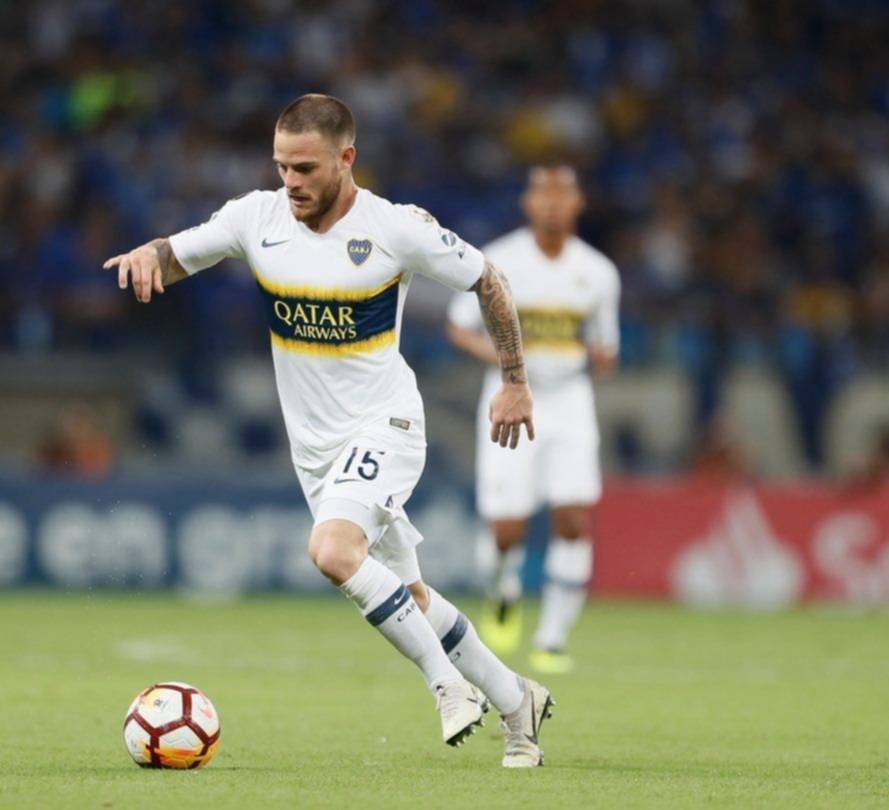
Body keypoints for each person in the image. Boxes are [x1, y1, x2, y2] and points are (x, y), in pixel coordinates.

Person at [103, 95, 553, 767]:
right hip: (316, 450)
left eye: (306, 168)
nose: (291, 182)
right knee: (410, 597)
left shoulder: (395, 228)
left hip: (386, 423)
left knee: (332, 551)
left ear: (346, 159)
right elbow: (177, 255)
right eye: (282, 166)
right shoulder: (255, 218)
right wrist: (150, 253)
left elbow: (490, 281)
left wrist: (514, 380)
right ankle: (518, 703)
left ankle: (447, 687)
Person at [446, 166, 620, 675]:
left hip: (569, 400)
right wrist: (508, 361)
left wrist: (599, 357)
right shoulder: (500, 260)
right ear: (528, 203)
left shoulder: (598, 272)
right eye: (543, 194)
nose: (552, 204)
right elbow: (459, 327)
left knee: (574, 519)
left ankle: (552, 638)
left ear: (578, 204)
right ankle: (502, 586)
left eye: (562, 195)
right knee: (507, 529)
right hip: (508, 396)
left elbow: (606, 347)